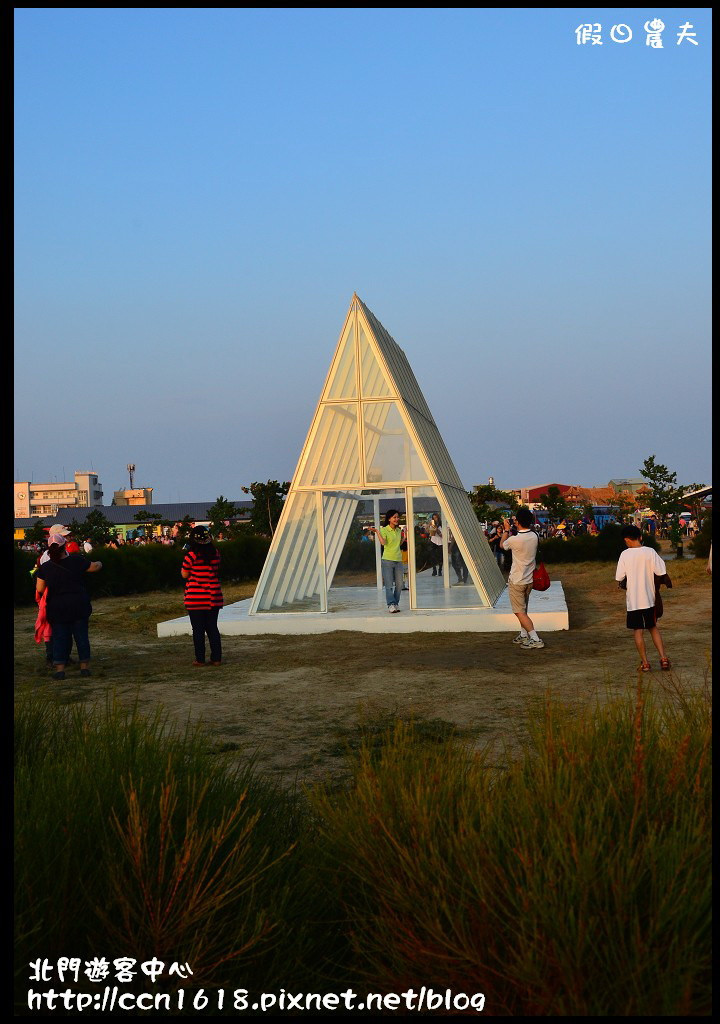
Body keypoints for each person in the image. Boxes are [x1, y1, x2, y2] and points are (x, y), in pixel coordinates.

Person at [35, 535, 103, 680]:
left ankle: (60, 669)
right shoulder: (77, 560)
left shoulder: (45, 567)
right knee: (81, 637)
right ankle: (84, 668)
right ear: (65, 545)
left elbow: (40, 588)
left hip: (57, 607)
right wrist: (100, 562)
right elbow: (94, 567)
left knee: (60, 638)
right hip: (78, 604)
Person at [615, 525, 671, 671]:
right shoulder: (650, 552)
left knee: (638, 631)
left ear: (626, 539)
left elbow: (619, 576)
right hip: (649, 599)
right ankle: (663, 658)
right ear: (640, 537)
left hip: (634, 601)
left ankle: (645, 663)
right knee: (653, 628)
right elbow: (661, 570)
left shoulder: (625, 555)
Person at [500, 509, 545, 650]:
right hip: (529, 579)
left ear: (517, 522)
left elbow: (502, 545)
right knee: (523, 610)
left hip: (517, 580)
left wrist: (506, 530)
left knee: (518, 611)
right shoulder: (534, 536)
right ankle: (523, 634)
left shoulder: (514, 540)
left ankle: (535, 638)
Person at [181, 526, 224, 665]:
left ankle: (200, 659)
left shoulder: (191, 555)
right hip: (213, 596)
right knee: (212, 628)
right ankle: (216, 658)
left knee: (198, 630)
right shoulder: (216, 553)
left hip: (195, 597)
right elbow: (217, 570)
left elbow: (184, 574)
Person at [367, 509, 405, 613]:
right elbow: (383, 543)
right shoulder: (384, 530)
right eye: (394, 517)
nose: (397, 519)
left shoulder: (398, 530)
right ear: (389, 519)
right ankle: (391, 604)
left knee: (400, 584)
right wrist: (377, 532)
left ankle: (396, 603)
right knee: (389, 585)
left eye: (397, 517)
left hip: (398, 560)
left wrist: (404, 537)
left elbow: (397, 544)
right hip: (387, 560)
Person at [427, 512, 444, 576]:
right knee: (432, 556)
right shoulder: (432, 524)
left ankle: (440, 570)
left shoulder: (441, 525)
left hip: (440, 542)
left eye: (436, 518)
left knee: (440, 557)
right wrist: (429, 527)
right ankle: (434, 570)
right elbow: (430, 533)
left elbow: (442, 535)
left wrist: (436, 530)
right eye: (433, 518)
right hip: (433, 541)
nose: (435, 519)